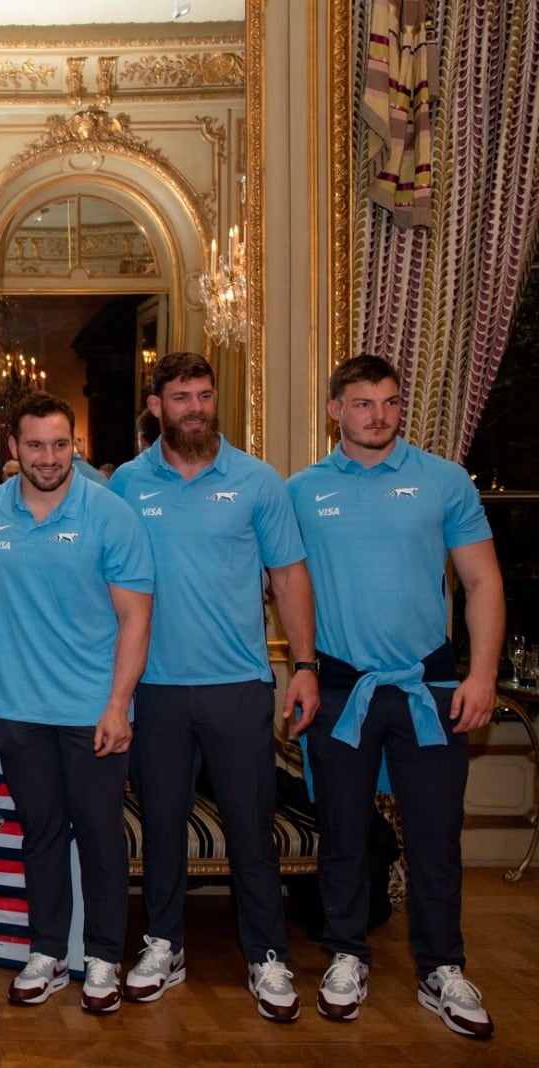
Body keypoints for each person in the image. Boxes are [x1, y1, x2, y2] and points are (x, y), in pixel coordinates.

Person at [289, 354, 502, 1038]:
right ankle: (346, 954)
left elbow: (484, 584)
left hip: (430, 688)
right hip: (341, 688)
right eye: (361, 403)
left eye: (388, 402)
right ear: (335, 411)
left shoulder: (443, 482)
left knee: (436, 837)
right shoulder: (301, 491)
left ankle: (443, 969)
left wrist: (482, 675)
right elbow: (281, 585)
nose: (377, 415)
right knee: (345, 835)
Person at [109, 352, 316, 1022]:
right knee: (163, 827)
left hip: (238, 687)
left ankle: (267, 957)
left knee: (252, 830)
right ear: (156, 406)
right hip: (158, 691)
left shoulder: (258, 481)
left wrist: (306, 666)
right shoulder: (126, 486)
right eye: (181, 397)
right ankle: (164, 946)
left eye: (204, 395)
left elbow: (288, 577)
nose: (195, 407)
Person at [0, 391, 152, 1015]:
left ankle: (102, 956)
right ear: (13, 448)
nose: (49, 457)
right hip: (18, 710)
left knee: (100, 835)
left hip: (91, 712)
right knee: (41, 835)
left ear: (74, 445)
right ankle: (47, 951)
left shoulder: (110, 513)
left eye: (60, 444)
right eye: (36, 445)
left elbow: (135, 618)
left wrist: (119, 705)